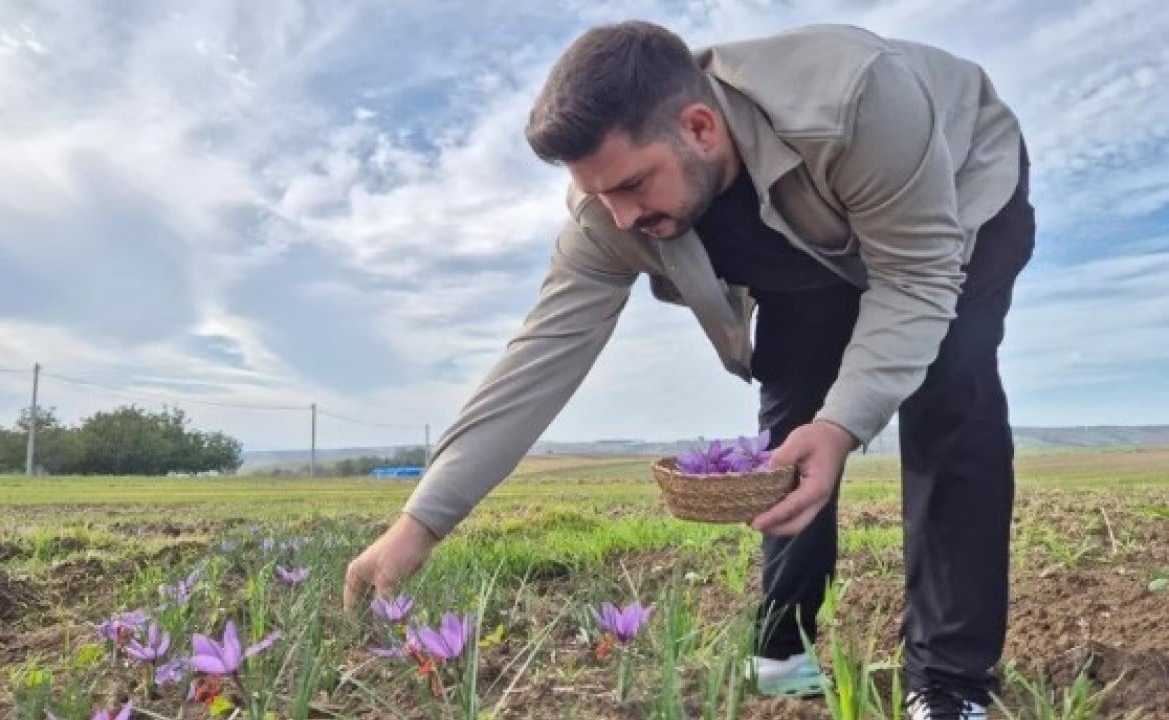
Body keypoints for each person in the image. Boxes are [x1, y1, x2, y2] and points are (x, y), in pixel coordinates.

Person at [344, 19, 1033, 720]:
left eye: (635, 184)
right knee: (786, 430)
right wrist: (418, 525)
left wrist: (843, 424)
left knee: (949, 395)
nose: (622, 215)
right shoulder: (609, 214)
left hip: (957, 195)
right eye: (602, 194)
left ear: (701, 128)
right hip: (812, 246)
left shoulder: (853, 99)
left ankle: (949, 683)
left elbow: (915, 281)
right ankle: (783, 653)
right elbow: (540, 356)